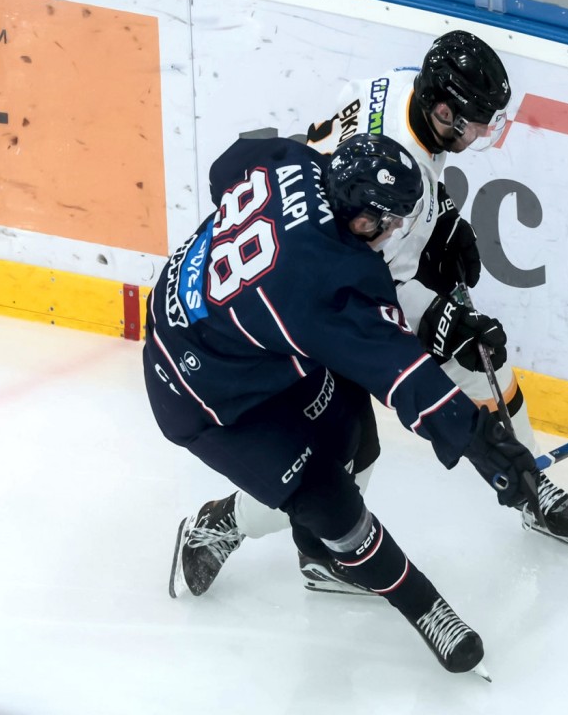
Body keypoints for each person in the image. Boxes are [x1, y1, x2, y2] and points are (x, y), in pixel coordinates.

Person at [144, 132, 540, 677]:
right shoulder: (321, 285)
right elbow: (404, 376)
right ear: (357, 215)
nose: (394, 231)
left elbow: (227, 166)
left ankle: (319, 560)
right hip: (205, 396)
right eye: (388, 221)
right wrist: (482, 444)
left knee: (355, 440)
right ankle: (424, 607)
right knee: (331, 504)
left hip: (243, 339)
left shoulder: (296, 160)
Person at [214, 31, 568, 578]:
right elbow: (374, 283)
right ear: (443, 111)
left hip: (339, 248)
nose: (481, 133)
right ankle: (227, 522)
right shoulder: (397, 181)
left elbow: (386, 182)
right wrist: (442, 318)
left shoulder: (399, 90)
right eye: (475, 122)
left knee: (478, 360)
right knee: (342, 467)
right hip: (315, 303)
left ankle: (528, 481)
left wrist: (444, 214)